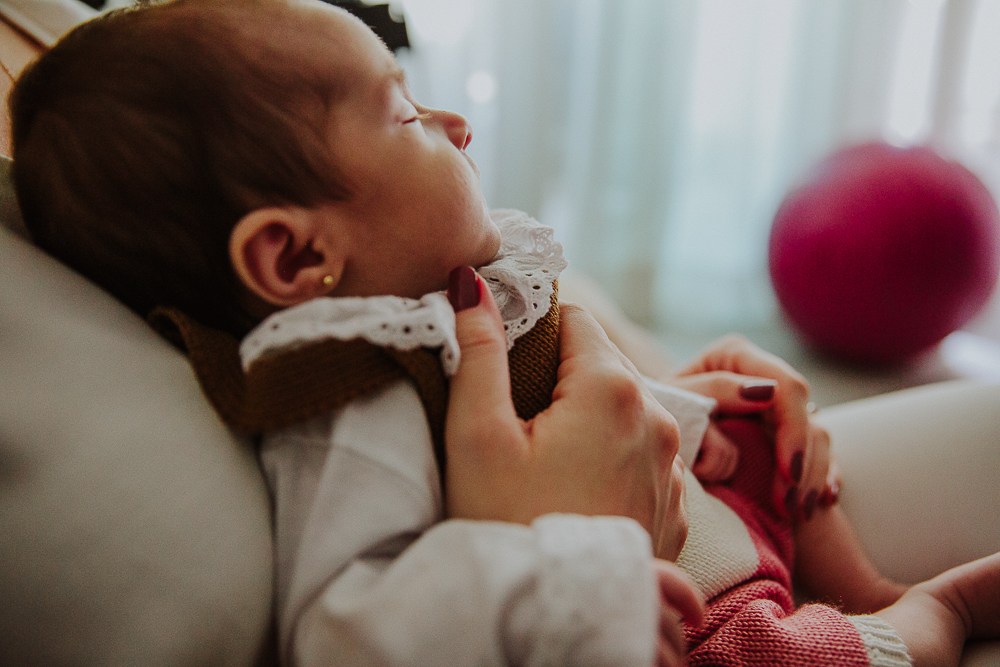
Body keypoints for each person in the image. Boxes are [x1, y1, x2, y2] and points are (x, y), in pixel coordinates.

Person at [8, 1, 999, 666]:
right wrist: (563, 584)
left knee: (781, 446)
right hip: (699, 614)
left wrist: (690, 396)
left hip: (708, 501)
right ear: (296, 260)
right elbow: (351, 619)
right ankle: (925, 619)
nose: (455, 123)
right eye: (403, 114)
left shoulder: (461, 297)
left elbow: (585, 405)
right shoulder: (352, 394)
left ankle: (865, 583)